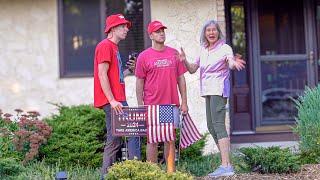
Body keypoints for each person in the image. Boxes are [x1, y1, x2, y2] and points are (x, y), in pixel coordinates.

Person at [179, 20, 245, 177]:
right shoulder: (203, 49)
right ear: (205, 33)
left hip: (219, 90)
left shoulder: (225, 48)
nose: (211, 32)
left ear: (218, 32)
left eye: (214, 30)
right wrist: (184, 60)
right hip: (207, 91)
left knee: (218, 125)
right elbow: (193, 69)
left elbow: (229, 62)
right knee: (210, 125)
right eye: (208, 30)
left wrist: (234, 63)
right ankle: (225, 161)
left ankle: (226, 165)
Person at [135, 20, 188, 173]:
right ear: (151, 35)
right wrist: (141, 105)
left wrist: (184, 102)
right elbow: (139, 82)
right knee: (152, 140)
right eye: (158, 31)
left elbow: (181, 79)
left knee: (169, 139)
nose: (161, 33)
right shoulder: (144, 56)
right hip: (152, 105)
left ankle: (170, 173)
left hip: (170, 104)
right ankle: (153, 173)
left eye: (163, 31)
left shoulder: (174, 53)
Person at [93, 14, 141, 177]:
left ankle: (110, 175)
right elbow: (102, 74)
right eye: (122, 26)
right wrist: (112, 100)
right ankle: (136, 173)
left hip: (118, 99)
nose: (126, 29)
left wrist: (130, 71)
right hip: (114, 101)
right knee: (132, 132)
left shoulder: (114, 47)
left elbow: (115, 75)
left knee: (115, 140)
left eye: (126, 26)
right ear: (113, 28)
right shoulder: (105, 46)